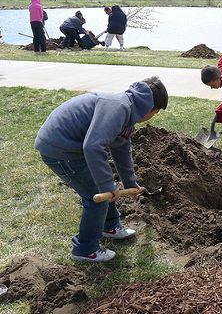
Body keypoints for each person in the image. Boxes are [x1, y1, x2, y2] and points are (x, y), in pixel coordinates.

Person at [34, 77, 169, 262]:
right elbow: (92, 147)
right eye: (156, 111)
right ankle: (85, 249)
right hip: (60, 149)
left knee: (105, 185)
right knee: (95, 196)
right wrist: (106, 185)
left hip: (73, 146)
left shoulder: (127, 110)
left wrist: (130, 182)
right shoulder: (118, 108)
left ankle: (110, 226)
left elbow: (121, 147)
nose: (154, 115)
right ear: (150, 108)